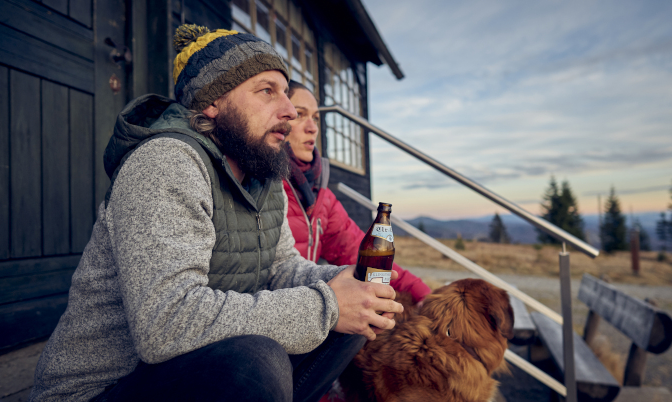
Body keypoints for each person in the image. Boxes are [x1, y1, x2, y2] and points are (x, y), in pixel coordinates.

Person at [30, 24, 402, 402]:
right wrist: (327, 305)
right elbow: (166, 322)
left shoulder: (264, 176)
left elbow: (282, 269)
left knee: (358, 312)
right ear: (212, 102)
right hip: (99, 390)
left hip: (189, 371)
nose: (289, 111)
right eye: (267, 92)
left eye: (285, 94)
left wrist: (343, 281)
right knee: (257, 360)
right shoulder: (166, 163)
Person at [283, 81, 431, 305]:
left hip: (307, 312)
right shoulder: (260, 186)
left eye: (315, 118)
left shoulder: (322, 198)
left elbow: (357, 251)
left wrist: (426, 296)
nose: (312, 127)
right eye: (299, 114)